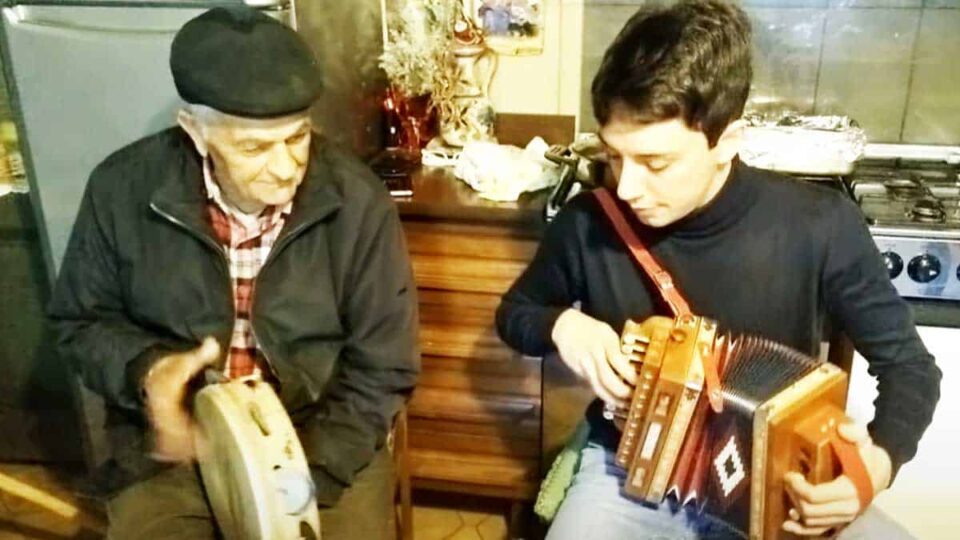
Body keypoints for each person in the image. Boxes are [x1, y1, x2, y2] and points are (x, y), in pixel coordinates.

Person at [495, 1, 941, 538]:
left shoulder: (820, 226)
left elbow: (911, 369)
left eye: (655, 163)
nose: (627, 187)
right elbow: (515, 313)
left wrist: (878, 464)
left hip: (774, 483)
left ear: (727, 141)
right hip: (626, 471)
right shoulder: (588, 222)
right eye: (613, 157)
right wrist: (562, 325)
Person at [48, 7, 418, 540]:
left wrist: (299, 476)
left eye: (297, 139)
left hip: (318, 429)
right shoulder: (120, 189)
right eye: (254, 148)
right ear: (195, 132)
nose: (287, 166)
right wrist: (149, 374)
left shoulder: (359, 202)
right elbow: (79, 323)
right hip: (178, 437)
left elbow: (385, 364)